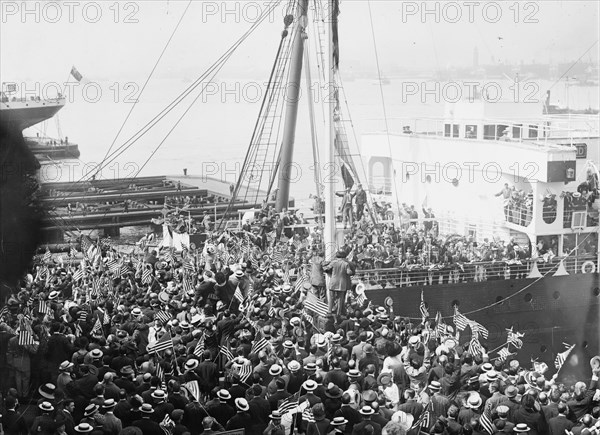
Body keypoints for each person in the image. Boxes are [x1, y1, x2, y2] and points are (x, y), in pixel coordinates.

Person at [323, 249, 356, 315]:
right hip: (342, 283)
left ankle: (329, 311)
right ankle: (339, 312)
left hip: (333, 282)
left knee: (331, 297)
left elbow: (326, 269)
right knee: (340, 299)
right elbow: (349, 272)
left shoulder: (333, 262)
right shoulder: (346, 263)